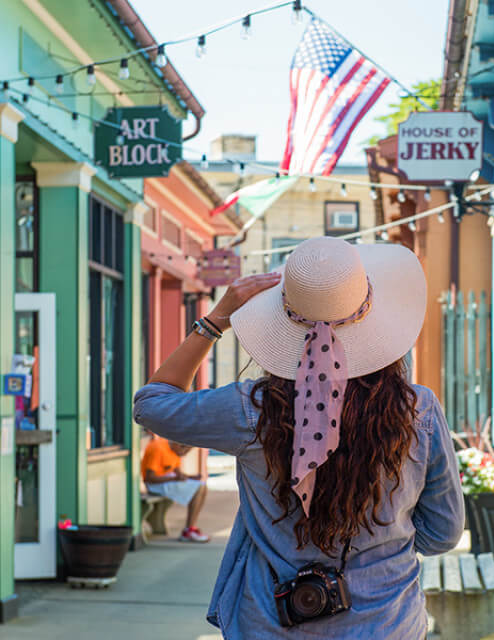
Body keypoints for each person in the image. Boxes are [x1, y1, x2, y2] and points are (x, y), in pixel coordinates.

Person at [134, 237, 464, 639]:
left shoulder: (252, 409)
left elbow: (151, 404)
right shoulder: (419, 410)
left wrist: (215, 320)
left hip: (271, 624)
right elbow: (442, 533)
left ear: (284, 325)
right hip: (387, 625)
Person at [141, 436, 210, 542]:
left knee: (202, 486)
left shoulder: (175, 451)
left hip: (167, 481)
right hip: (154, 485)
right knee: (199, 488)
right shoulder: (158, 448)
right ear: (178, 444)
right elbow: (149, 478)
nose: (185, 454)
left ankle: (190, 528)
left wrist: (191, 477)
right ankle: (189, 530)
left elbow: (176, 473)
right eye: (185, 450)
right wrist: (175, 478)